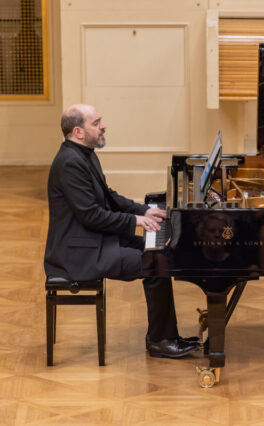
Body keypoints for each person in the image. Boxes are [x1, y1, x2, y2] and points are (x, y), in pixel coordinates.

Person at [44, 104, 198, 358]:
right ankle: (161, 340)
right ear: (78, 132)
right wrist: (136, 221)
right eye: (96, 123)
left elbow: (109, 197)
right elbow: (91, 215)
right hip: (79, 255)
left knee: (159, 254)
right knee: (156, 264)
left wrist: (144, 210)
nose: (103, 126)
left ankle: (162, 335)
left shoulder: (84, 154)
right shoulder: (70, 163)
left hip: (94, 241)